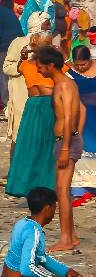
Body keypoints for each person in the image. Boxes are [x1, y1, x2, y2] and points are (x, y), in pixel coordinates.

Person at [41, 45, 84, 252]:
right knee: (63, 191)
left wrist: (67, 146)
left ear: (51, 65)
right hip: (68, 140)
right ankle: (72, 236)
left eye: (41, 67)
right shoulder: (65, 83)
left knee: (62, 191)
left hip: (65, 142)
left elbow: (68, 118)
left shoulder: (64, 85)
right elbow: (81, 109)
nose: (39, 70)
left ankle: (66, 239)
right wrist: (78, 135)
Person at [7, 35, 59, 198]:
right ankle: (47, 183)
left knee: (29, 145)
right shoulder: (52, 66)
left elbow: (19, 67)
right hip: (49, 105)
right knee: (48, 146)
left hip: (32, 106)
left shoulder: (26, 65)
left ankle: (25, 184)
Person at [1, 186, 82, 277]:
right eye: (54, 208)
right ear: (47, 209)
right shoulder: (33, 232)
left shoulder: (22, 223)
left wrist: (65, 271)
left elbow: (41, 257)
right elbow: (27, 269)